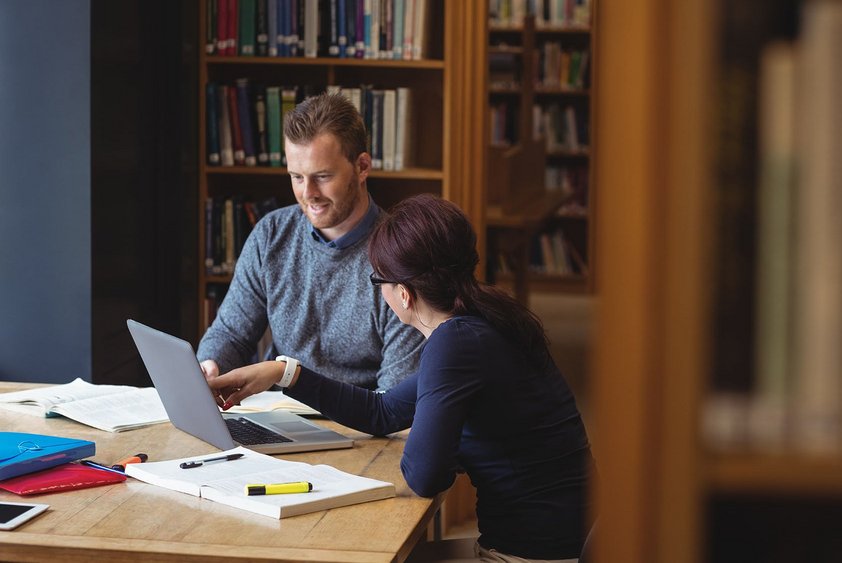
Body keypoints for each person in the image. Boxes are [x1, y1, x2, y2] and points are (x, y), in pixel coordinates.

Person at [208, 193, 596, 562]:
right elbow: (384, 411)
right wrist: (284, 373)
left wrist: (444, 442)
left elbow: (424, 475)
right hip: (560, 541)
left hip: (529, 554)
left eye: (379, 283)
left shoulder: (454, 344)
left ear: (405, 294)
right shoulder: (483, 319)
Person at [197, 92, 424, 391]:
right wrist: (210, 366)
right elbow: (231, 333)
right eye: (297, 177)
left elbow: (395, 397)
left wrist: (288, 376)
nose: (308, 193)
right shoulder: (271, 235)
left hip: (363, 417)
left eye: (323, 176)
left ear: (362, 167)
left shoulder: (402, 257)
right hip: (278, 410)